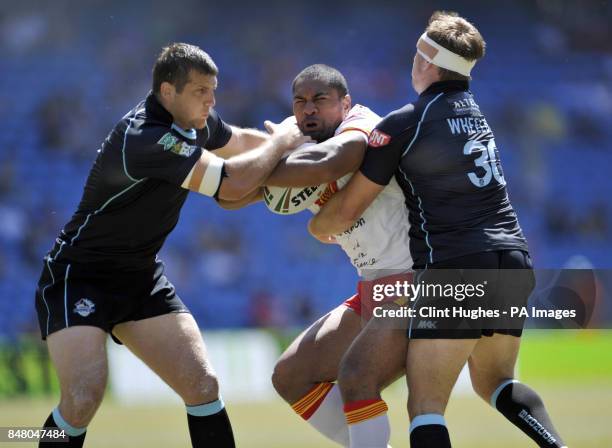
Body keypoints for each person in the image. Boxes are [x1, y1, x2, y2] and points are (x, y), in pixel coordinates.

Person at [310, 12, 567, 448]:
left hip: (457, 267)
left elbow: (347, 211)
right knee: (497, 383)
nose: (411, 62)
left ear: (427, 62)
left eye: (416, 54)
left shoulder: (404, 124)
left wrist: (317, 224)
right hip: (513, 260)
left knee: (425, 406)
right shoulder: (477, 116)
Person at [34, 42, 310, 448]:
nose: (212, 101)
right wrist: (282, 144)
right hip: (80, 275)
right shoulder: (145, 137)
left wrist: (306, 148)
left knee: (203, 385)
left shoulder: (194, 121)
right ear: (168, 91)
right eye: (202, 91)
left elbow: (238, 143)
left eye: (213, 90)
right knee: (82, 398)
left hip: (140, 275)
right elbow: (231, 182)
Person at [220, 64, 413, 447]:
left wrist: (269, 157)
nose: (308, 109)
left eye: (320, 100)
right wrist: (268, 153)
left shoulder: (362, 126)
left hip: (418, 279)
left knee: (358, 378)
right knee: (291, 375)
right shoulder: (300, 150)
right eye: (300, 102)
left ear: (346, 102)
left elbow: (332, 162)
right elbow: (231, 197)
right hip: (374, 285)